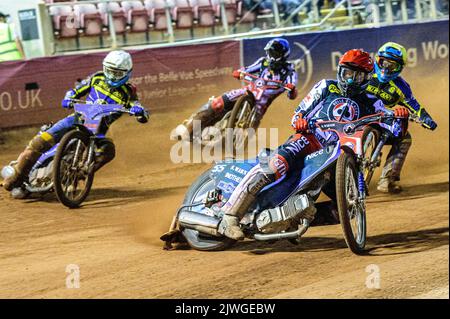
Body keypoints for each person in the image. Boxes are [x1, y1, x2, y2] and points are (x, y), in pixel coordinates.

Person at [217, 48, 398, 240]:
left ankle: (290, 218)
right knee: (273, 166)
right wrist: (300, 120)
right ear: (340, 72)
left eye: (358, 76)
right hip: (309, 140)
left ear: (367, 78)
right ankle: (230, 216)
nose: (351, 80)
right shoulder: (327, 86)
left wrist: (398, 117)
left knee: (347, 206)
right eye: (348, 73)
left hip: (339, 156)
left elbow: (390, 125)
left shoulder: (372, 100)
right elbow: (299, 112)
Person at [2, 50, 149, 192]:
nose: (111, 76)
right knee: (38, 143)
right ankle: (17, 176)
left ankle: (76, 175)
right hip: (77, 118)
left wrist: (139, 112)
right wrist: (68, 98)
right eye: (109, 70)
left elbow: (140, 110)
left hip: (99, 132)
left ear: (127, 73)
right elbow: (76, 90)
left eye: (117, 73)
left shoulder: (129, 92)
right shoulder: (97, 78)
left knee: (108, 151)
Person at [175, 38, 298, 140]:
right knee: (217, 103)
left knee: (248, 132)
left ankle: (227, 143)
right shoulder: (263, 62)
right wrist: (240, 72)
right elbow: (247, 69)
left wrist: (291, 89)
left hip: (261, 105)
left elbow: (292, 91)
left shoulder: (289, 70)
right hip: (247, 91)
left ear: (282, 55)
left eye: (274, 54)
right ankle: (189, 127)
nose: (270, 56)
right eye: (270, 53)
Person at [366, 42, 437, 193]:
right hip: (352, 117)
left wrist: (426, 119)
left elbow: (416, 107)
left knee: (404, 138)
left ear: (400, 68)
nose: (386, 68)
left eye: (392, 66)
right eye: (384, 63)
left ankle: (387, 179)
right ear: (377, 60)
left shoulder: (402, 87)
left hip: (381, 120)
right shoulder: (364, 71)